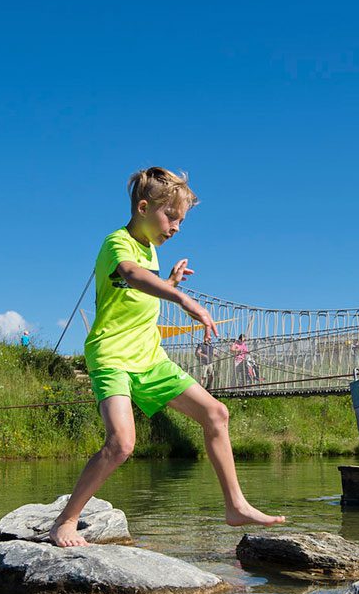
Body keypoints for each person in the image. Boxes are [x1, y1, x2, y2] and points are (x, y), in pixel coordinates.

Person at [48, 167, 284, 547]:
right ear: (143, 207)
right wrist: (182, 297)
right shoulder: (117, 243)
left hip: (149, 356)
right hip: (112, 355)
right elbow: (130, 274)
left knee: (216, 413)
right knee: (122, 444)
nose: (175, 227)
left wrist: (170, 282)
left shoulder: (151, 250)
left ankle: (235, 505)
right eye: (170, 216)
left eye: (181, 221)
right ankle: (66, 520)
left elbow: (137, 291)